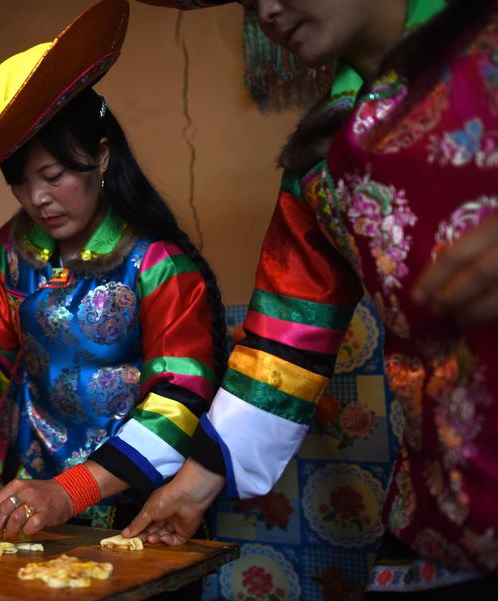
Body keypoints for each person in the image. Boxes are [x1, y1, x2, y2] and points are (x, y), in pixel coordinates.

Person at [126, 0, 498, 596]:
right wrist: (197, 480)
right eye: (247, 2)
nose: (266, 10)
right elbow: (285, 341)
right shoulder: (322, 159)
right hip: (437, 523)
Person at [0, 0, 228, 543]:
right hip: (32, 485)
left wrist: (72, 490)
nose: (37, 199)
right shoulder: (8, 253)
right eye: (21, 183)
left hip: (142, 500)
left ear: (101, 156)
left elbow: (180, 402)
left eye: (53, 175)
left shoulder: (159, 264)